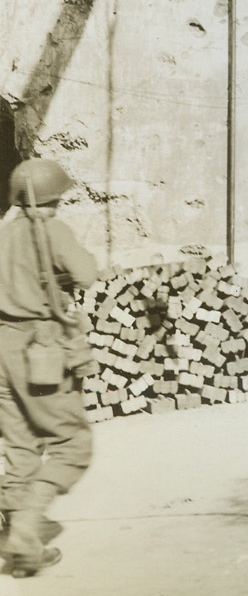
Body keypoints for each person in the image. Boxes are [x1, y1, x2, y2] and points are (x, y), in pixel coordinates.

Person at [0, 159, 99, 577]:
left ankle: (20, 544)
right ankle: (24, 528)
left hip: (2, 346)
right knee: (72, 443)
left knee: (20, 445)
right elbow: (87, 274)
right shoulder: (53, 231)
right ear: (56, 197)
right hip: (41, 349)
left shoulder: (3, 234)